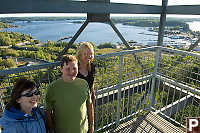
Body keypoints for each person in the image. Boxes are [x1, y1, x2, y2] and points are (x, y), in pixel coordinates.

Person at [45, 55, 94, 133]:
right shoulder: (52, 88)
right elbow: (47, 111)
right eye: (68, 69)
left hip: (83, 130)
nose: (71, 72)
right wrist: (51, 129)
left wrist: (91, 125)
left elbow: (89, 105)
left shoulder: (84, 84)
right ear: (61, 69)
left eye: (74, 68)